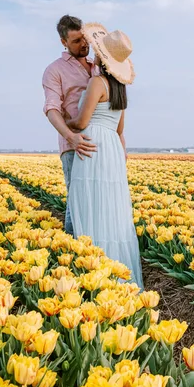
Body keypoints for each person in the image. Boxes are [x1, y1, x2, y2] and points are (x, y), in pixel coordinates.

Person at [65, 22, 143, 288]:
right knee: (111, 208)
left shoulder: (97, 82)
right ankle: (117, 274)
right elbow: (119, 128)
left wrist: (66, 123)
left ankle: (94, 273)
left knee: (91, 205)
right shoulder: (121, 90)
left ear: (101, 56)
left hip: (93, 143)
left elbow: (82, 121)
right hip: (111, 147)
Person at [42, 15, 100, 235]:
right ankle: (74, 252)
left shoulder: (99, 66)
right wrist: (71, 137)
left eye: (84, 38)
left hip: (100, 141)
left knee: (96, 200)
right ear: (63, 42)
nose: (83, 44)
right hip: (74, 144)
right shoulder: (54, 70)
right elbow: (51, 109)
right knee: (76, 200)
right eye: (76, 41)